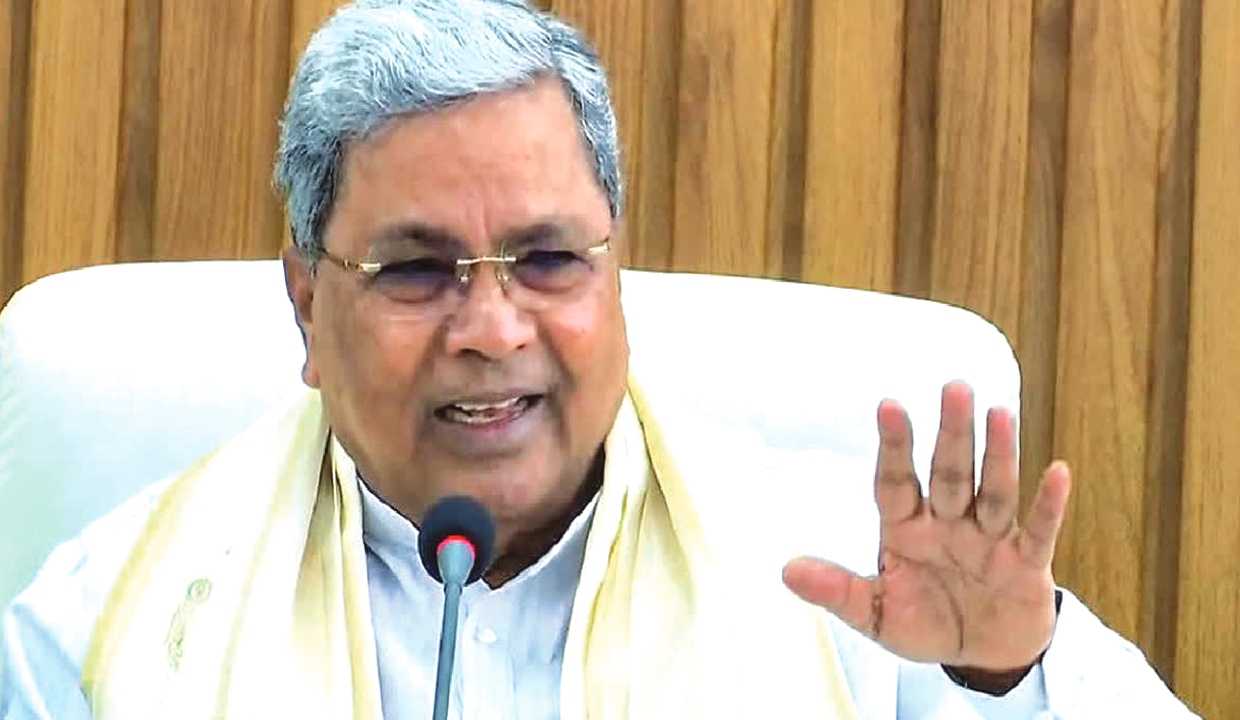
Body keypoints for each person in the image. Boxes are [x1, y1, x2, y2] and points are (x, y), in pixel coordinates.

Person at [0, 1, 1198, 718]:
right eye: (416, 269)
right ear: (308, 309)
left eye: (545, 259)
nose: (492, 328)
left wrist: (1012, 674)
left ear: (614, 275)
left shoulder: (849, 586)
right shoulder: (109, 619)